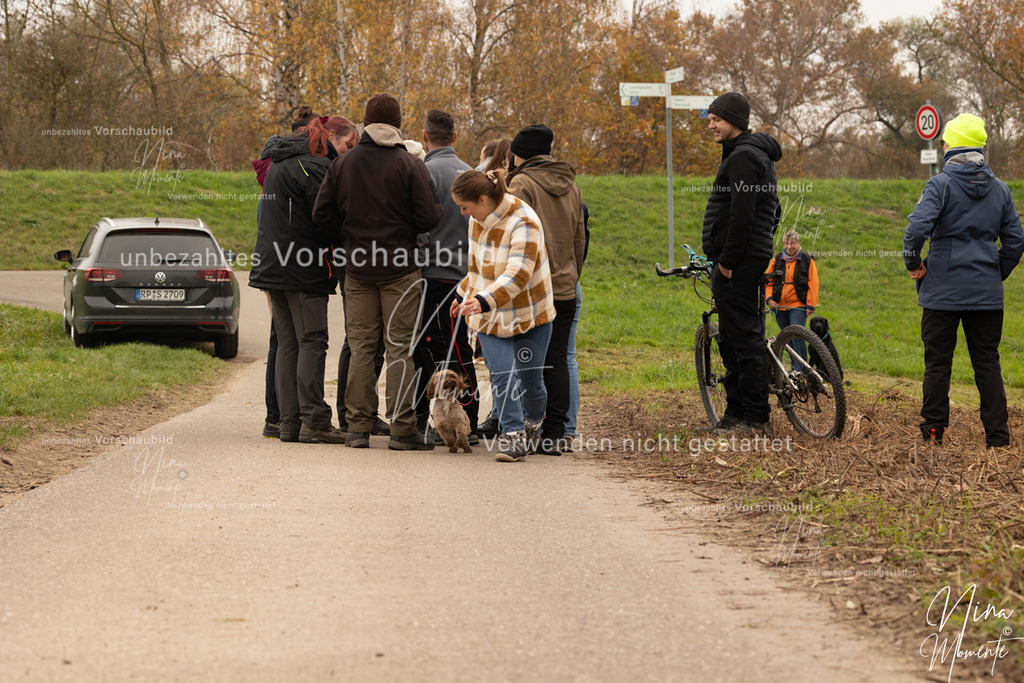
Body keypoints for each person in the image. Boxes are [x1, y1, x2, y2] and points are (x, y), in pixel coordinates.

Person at [313, 92, 443, 450]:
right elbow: (429, 216)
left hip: (357, 270)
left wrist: (350, 236)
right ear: (399, 123)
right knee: (399, 349)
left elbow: (321, 216)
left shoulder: (344, 164)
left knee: (361, 348)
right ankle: (403, 429)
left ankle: (357, 428)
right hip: (401, 269)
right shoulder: (410, 165)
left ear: (365, 124)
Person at [903, 112, 1024, 448]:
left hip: (941, 292)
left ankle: (932, 435)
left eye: (946, 140)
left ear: (952, 146)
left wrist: (913, 263)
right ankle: (998, 439)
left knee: (938, 363)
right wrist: (994, 272)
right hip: (986, 294)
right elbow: (1016, 241)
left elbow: (915, 230)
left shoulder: (940, 185)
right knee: (987, 363)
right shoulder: (1000, 189)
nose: (942, 144)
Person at [249, 116, 354, 444]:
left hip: (272, 268)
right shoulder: (314, 168)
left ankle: (289, 422)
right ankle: (315, 420)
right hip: (304, 269)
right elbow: (327, 218)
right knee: (312, 341)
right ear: (323, 140)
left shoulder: (278, 164)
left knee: (287, 343)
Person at [450, 170, 555, 462]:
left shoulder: (524, 221)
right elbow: (475, 267)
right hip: (489, 313)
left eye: (465, 206)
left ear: (483, 200)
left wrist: (482, 300)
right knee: (502, 376)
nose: (462, 212)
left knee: (531, 381)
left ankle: (533, 424)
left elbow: (518, 274)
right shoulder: (476, 220)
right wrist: (462, 296)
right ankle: (512, 437)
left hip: (529, 312)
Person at [699, 91, 782, 436]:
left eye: (717, 120)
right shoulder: (745, 154)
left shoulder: (744, 158)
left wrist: (729, 262)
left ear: (734, 121)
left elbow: (742, 216)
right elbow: (771, 211)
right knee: (732, 337)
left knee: (744, 338)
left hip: (739, 261)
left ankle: (755, 418)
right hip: (744, 256)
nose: (712, 125)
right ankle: (735, 414)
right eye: (711, 119)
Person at [506, 124, 585, 455]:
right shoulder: (571, 184)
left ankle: (530, 425)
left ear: (518, 152)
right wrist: (571, 273)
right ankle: (558, 433)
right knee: (560, 357)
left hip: (533, 287)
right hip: (566, 283)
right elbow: (581, 236)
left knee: (530, 359)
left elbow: (514, 235)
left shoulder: (521, 184)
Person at [252, 105, 321, 439]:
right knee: (300, 340)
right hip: (294, 264)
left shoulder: (273, 164)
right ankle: (295, 417)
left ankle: (280, 418)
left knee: (282, 341)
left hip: (270, 261)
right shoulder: (300, 166)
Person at [412, 110, 480, 441]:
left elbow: (419, 226)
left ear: (424, 136)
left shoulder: (423, 172)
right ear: (454, 137)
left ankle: (426, 419)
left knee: (426, 348)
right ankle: (470, 418)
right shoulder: (471, 175)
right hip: (466, 279)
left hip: (432, 276)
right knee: (460, 349)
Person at [765, 230, 818, 368]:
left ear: (798, 243)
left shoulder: (807, 260)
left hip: (798, 306)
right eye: (787, 244)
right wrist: (769, 299)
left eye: (792, 244)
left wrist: (811, 304)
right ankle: (794, 368)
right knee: (786, 338)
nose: (789, 247)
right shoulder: (777, 260)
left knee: (797, 335)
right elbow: (768, 281)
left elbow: (813, 283)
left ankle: (801, 370)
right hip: (779, 306)